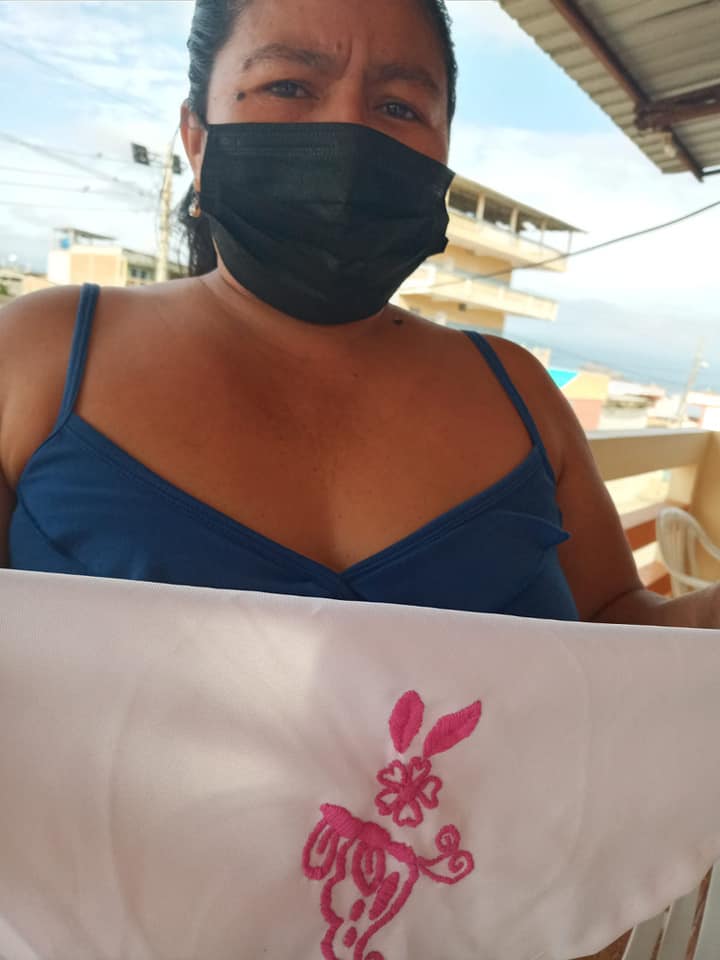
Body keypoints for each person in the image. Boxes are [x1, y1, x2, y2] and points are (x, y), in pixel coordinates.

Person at [0, 0, 717, 629]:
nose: (347, 131)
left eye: (399, 106)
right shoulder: (38, 355)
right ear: (196, 138)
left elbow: (619, 627)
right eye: (288, 85)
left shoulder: (521, 393)